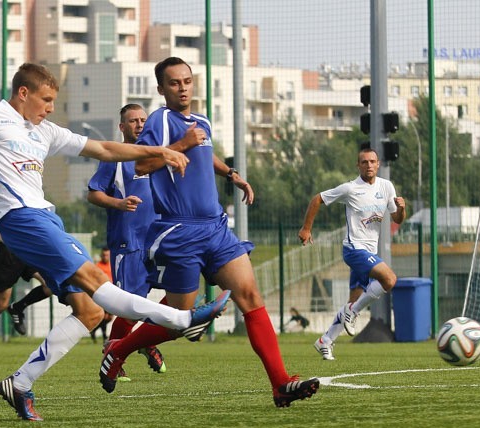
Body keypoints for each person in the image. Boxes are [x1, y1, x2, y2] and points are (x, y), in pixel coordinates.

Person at [0, 63, 229, 421]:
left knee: (91, 310)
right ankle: (182, 318)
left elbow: (105, 149)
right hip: (20, 217)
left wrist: (159, 152)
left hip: (46, 218)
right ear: (23, 93)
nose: (49, 107)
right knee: (97, 282)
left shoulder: (44, 131)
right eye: (46, 99)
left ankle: (20, 383)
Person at [97, 57, 320, 408]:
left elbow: (206, 155)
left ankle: (281, 383)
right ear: (162, 89)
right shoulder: (160, 121)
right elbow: (141, 164)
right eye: (174, 83)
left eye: (187, 81)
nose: (183, 87)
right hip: (178, 231)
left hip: (215, 227)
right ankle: (119, 349)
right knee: (179, 322)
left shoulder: (201, 121)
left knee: (250, 295)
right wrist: (181, 145)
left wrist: (231, 174)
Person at [88, 103, 200, 378]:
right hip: (130, 242)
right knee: (130, 306)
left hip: (161, 240)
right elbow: (93, 194)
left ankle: (145, 340)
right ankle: (112, 356)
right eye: (133, 121)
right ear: (122, 127)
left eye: (142, 120)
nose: (139, 124)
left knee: (178, 294)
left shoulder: (158, 155)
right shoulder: (114, 158)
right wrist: (118, 202)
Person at [298, 147, 406, 361]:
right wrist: (306, 229)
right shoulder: (350, 188)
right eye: (364, 162)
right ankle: (354, 311)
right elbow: (317, 199)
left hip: (370, 251)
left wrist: (402, 208)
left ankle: (326, 340)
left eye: (372, 161)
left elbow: (397, 219)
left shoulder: (386, 186)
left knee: (354, 300)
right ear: (358, 165)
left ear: (378, 163)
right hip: (354, 249)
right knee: (389, 279)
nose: (369, 165)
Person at [0, 210, 53, 361]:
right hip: (8, 254)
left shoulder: (34, 200)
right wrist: (9, 241)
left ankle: (18, 307)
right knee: (0, 304)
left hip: (28, 252)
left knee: (50, 285)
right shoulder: (6, 200)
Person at [89, 247, 113, 344]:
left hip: (112, 293)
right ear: (101, 255)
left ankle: (94, 331)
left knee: (109, 317)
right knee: (103, 316)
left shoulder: (112, 265)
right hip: (102, 293)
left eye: (107, 255)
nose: (105, 257)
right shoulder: (97, 266)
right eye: (103, 255)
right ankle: (104, 336)